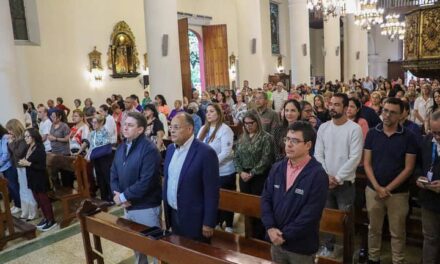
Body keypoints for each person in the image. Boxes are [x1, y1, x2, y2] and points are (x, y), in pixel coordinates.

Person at [261, 121, 329, 264]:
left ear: (308, 145)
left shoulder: (317, 175)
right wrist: (270, 228)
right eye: (287, 139)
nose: (289, 145)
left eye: (295, 141)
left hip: (300, 247)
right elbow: (266, 199)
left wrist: (284, 235)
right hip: (276, 242)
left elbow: (310, 214)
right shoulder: (277, 168)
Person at [364, 98, 417, 264]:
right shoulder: (372, 133)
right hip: (373, 190)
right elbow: (367, 163)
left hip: (398, 193)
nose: (387, 115)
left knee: (398, 231)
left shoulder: (409, 136)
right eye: (385, 110)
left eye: (392, 112)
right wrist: (378, 187)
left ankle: (398, 260)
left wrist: (387, 189)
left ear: (401, 115)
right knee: (374, 229)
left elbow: (408, 168)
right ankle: (373, 258)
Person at [314, 93, 363, 256]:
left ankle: (348, 251)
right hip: (325, 182)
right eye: (331, 104)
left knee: (345, 220)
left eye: (336, 104)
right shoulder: (324, 127)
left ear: (345, 107)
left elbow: (355, 157)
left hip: (345, 184)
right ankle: (328, 247)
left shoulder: (354, 129)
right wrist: (327, 176)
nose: (332, 107)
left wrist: (338, 178)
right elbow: (318, 155)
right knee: (327, 217)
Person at [110, 111, 162, 264]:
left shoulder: (149, 149)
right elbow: (113, 172)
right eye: (124, 124)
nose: (125, 128)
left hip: (145, 205)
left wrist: (124, 197)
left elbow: (146, 181)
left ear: (140, 130)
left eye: (130, 125)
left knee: (152, 246)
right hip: (128, 205)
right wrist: (117, 194)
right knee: (136, 244)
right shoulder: (122, 147)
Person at [163, 113, 219, 242]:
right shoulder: (171, 149)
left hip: (195, 218)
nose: (172, 130)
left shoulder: (205, 153)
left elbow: (211, 191)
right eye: (171, 127)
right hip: (173, 213)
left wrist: (208, 222)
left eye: (176, 127)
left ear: (189, 129)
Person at [234, 111, 275, 239]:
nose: (248, 126)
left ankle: (260, 236)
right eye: (245, 123)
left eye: (251, 123)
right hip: (244, 176)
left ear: (257, 122)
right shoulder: (242, 137)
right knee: (247, 208)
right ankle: (249, 235)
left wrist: (252, 173)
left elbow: (266, 159)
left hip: (259, 176)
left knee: (259, 207)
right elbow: (236, 157)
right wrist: (241, 172)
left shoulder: (266, 137)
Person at [197, 104, 235, 233]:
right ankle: (217, 221)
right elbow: (197, 147)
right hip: (208, 172)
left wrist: (210, 165)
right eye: (207, 111)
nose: (208, 114)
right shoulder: (203, 128)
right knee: (212, 198)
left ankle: (229, 224)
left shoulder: (225, 129)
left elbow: (226, 152)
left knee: (227, 199)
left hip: (224, 171)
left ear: (218, 114)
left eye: (212, 111)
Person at [19, 128, 57, 231]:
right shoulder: (29, 147)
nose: (25, 138)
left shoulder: (39, 148)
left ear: (34, 136)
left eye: (28, 136)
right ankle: (45, 218)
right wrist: (24, 161)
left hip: (40, 178)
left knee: (44, 200)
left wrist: (28, 163)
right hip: (32, 178)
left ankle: (51, 220)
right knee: (38, 200)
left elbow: (41, 167)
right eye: (25, 136)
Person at [415, 110, 440, 264]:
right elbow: (417, 164)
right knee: (430, 238)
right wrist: (418, 177)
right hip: (429, 199)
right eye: (433, 131)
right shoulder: (427, 140)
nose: (436, 136)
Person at [6, 119, 38, 220]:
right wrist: (11, 143)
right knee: (22, 190)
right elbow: (12, 154)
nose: (9, 132)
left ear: (15, 128)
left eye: (10, 130)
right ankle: (25, 211)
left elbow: (19, 153)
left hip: (25, 167)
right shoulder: (16, 139)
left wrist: (11, 144)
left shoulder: (24, 138)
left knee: (27, 190)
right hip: (18, 166)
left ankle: (33, 212)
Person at [81, 114, 113, 202]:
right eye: (92, 122)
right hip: (96, 158)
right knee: (99, 177)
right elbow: (91, 147)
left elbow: (105, 147)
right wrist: (87, 155)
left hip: (104, 158)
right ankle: (104, 197)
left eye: (95, 123)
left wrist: (91, 155)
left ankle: (111, 197)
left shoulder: (105, 132)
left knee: (107, 177)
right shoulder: (92, 133)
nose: (93, 124)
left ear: (101, 122)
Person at [0, 124, 21, 214]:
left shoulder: (5, 138)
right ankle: (16, 204)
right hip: (3, 167)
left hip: (9, 166)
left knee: (13, 186)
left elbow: (6, 154)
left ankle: (19, 205)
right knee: (10, 187)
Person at [48, 110, 71, 187]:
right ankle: (58, 189)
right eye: (51, 117)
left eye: (54, 117)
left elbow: (67, 139)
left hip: (63, 152)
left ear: (59, 117)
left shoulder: (64, 126)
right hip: (54, 152)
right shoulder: (52, 125)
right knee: (53, 173)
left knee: (65, 174)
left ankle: (67, 189)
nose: (52, 118)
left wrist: (55, 138)